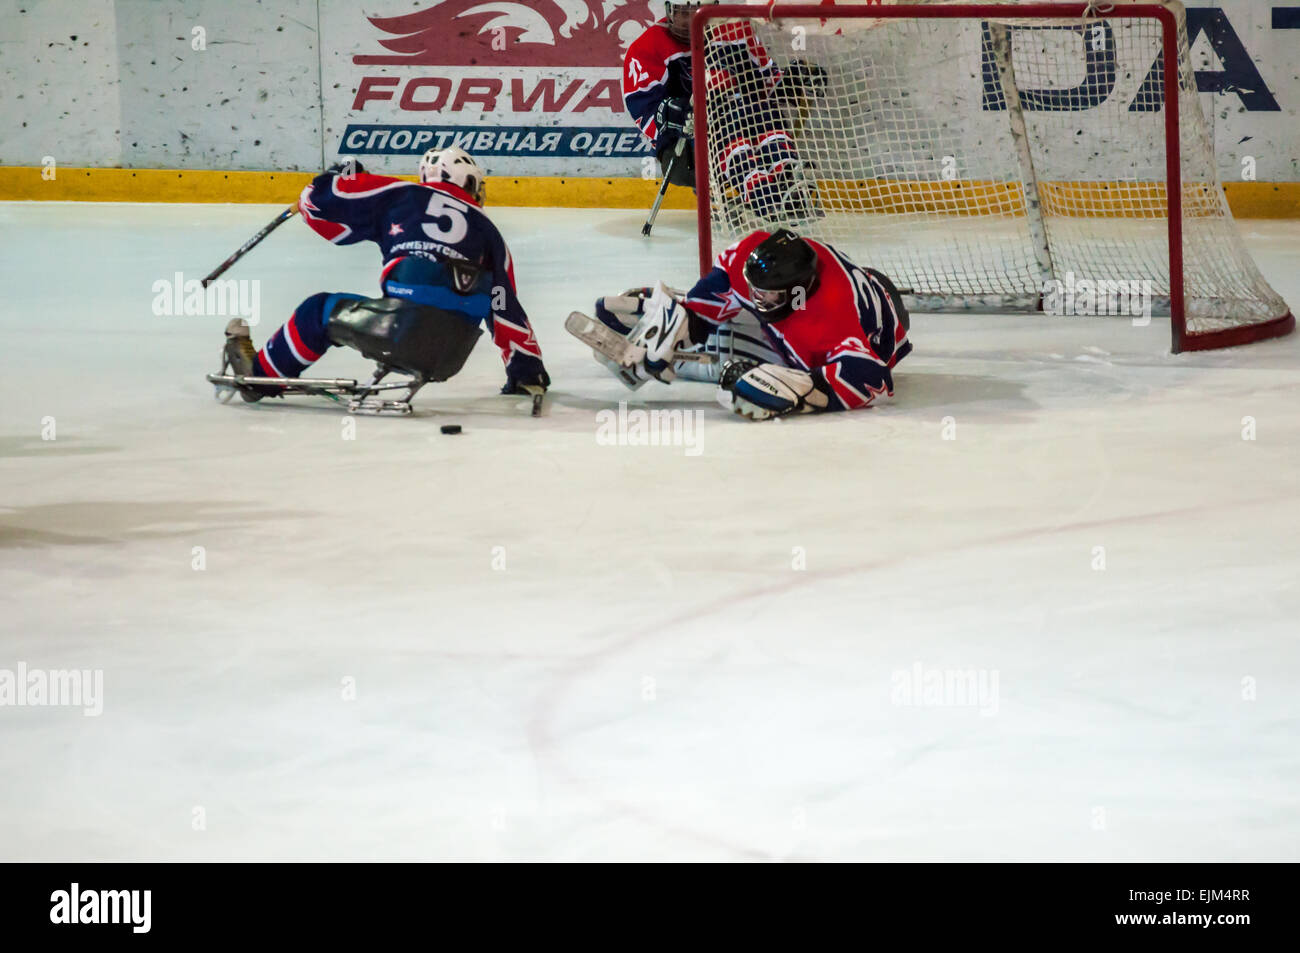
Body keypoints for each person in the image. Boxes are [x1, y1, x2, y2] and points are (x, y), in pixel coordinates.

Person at [222, 147, 548, 403]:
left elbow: (317, 201)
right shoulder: (491, 234)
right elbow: (505, 308)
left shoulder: (400, 194)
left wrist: (343, 171)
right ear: (472, 184)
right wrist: (527, 371)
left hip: (398, 329)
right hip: (451, 355)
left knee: (317, 310)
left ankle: (260, 376)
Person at [589, 229, 911, 420]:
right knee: (717, 331)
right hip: (847, 290)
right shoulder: (753, 257)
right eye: (755, 291)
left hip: (881, 322)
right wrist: (687, 318)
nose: (758, 300)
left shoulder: (829, 320)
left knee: (740, 363)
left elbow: (875, 378)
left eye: (768, 295)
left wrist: (804, 391)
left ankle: (701, 355)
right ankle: (677, 330)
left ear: (797, 292)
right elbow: (724, 282)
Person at [621, 1, 825, 222]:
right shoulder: (648, 46)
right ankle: (762, 195)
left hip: (744, 120)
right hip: (684, 148)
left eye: (697, 11)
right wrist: (674, 112)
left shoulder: (736, 30)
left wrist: (788, 82)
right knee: (726, 120)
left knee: (764, 112)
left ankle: (788, 176)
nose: (691, 19)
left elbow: (765, 81)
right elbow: (643, 110)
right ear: (669, 10)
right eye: (682, 12)